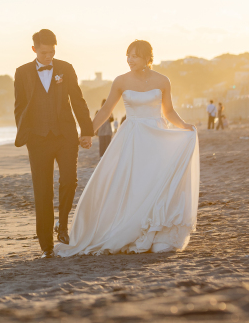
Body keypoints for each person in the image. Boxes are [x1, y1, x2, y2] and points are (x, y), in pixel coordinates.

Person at [54, 40, 199, 257]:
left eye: (135, 56)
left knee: (156, 182)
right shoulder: (121, 81)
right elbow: (105, 111)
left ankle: (158, 233)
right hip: (133, 137)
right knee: (134, 184)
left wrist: (185, 127)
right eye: (128, 56)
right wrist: (88, 133)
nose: (130, 60)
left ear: (147, 58)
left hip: (157, 137)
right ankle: (132, 230)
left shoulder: (163, 80)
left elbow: (168, 112)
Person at [13, 29, 94, 258]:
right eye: (44, 52)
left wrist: (86, 131)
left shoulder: (65, 69)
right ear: (34, 49)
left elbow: (77, 100)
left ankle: (64, 224)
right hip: (37, 140)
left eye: (52, 52)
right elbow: (20, 106)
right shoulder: (22, 72)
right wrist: (26, 133)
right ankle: (46, 246)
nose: (49, 56)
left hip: (65, 136)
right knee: (43, 191)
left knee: (69, 180)